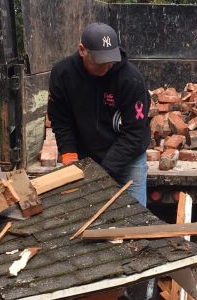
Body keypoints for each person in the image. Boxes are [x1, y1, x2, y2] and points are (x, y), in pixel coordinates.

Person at [48, 22, 150, 206]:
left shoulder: (131, 80)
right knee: (83, 214)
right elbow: (60, 119)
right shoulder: (63, 74)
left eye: (110, 61)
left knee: (134, 217)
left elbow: (135, 134)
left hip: (128, 160)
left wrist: (102, 173)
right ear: (82, 50)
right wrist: (70, 156)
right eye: (99, 62)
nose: (106, 67)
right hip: (85, 157)